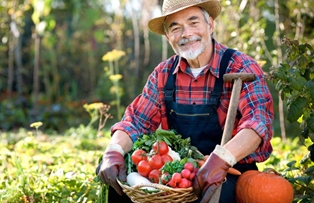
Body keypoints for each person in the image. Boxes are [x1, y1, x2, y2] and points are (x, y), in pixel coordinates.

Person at [97, 0, 274, 202]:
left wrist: (222, 159)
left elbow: (258, 123)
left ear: (210, 25)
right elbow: (136, 121)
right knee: (113, 177)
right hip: (179, 171)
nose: (186, 33)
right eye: (176, 27)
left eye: (193, 22)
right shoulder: (163, 74)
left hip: (229, 170)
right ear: (168, 36)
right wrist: (114, 151)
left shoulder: (240, 66)